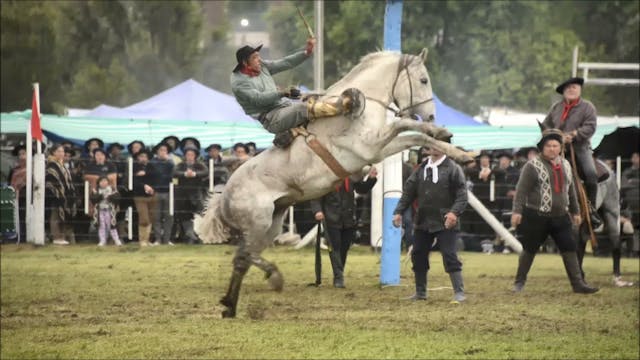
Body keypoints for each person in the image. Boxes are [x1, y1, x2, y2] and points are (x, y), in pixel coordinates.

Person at [511, 129, 598, 294]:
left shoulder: (566, 165)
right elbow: (521, 191)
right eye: (548, 146)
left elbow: (571, 190)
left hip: (561, 217)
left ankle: (578, 284)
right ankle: (519, 283)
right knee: (529, 249)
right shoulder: (532, 166)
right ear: (542, 148)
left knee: (569, 249)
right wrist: (517, 212)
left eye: (555, 145)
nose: (552, 148)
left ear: (560, 148)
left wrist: (576, 211)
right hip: (536, 216)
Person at [230, 39, 360, 147]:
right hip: (271, 118)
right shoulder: (239, 82)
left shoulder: (262, 66)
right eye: (254, 58)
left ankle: (292, 132)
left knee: (313, 98)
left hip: (285, 107)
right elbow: (258, 99)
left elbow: (285, 63)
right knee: (302, 108)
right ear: (245, 63)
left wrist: (306, 52)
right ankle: (342, 107)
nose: (259, 59)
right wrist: (282, 93)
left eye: (258, 56)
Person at [393, 145, 468, 302]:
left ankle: (459, 292)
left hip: (446, 220)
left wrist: (454, 213)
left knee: (449, 254)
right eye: (432, 145)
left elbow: (462, 195)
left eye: (438, 145)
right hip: (424, 220)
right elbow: (409, 192)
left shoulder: (453, 169)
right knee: (418, 254)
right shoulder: (421, 168)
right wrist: (398, 211)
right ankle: (421, 292)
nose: (434, 148)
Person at [542, 77, 601, 227]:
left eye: (574, 87)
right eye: (568, 88)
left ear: (579, 90)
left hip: (580, 148)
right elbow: (546, 124)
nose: (571, 90)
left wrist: (574, 134)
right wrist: (550, 135)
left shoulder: (588, 107)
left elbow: (591, 126)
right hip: (558, 150)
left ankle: (591, 209)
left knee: (591, 174)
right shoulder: (556, 107)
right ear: (563, 92)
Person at [310, 166, 378, 288]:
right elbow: (315, 197)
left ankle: (339, 272)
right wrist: (317, 211)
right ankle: (338, 277)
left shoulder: (350, 176)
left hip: (348, 219)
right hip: (331, 219)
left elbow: (362, 189)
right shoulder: (325, 178)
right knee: (334, 247)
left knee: (344, 248)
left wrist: (371, 179)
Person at [173, 147, 208, 244]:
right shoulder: (181, 165)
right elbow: (174, 173)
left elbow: (206, 172)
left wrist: (195, 174)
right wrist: (184, 174)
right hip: (183, 195)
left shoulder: (199, 165)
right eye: (188, 155)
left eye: (192, 155)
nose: (190, 157)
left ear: (195, 156)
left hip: (196, 194)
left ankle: (199, 237)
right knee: (184, 216)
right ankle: (190, 236)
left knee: (199, 215)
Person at [45, 144, 77, 245]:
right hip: (56, 195)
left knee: (63, 216)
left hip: (66, 195)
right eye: (59, 151)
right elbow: (51, 181)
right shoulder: (51, 165)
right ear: (53, 152)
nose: (61, 153)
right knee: (55, 216)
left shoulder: (62, 165)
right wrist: (58, 192)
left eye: (62, 151)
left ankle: (63, 236)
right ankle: (57, 237)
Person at [131, 149, 156, 247]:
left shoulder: (152, 167)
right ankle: (142, 240)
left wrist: (146, 175)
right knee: (144, 218)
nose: (143, 158)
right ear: (138, 157)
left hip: (152, 195)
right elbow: (133, 181)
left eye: (145, 156)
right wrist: (144, 186)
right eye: (141, 156)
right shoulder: (134, 167)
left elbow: (156, 177)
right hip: (139, 196)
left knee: (151, 218)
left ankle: (147, 239)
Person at [150, 143, 175, 245]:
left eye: (165, 150)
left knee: (168, 216)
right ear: (157, 152)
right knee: (156, 217)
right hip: (156, 192)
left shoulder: (170, 163)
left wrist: (169, 160)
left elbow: (174, 173)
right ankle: (157, 239)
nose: (163, 152)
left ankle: (167, 239)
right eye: (161, 150)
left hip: (168, 192)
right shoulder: (152, 163)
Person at [90, 176, 122, 246]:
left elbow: (117, 198)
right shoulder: (96, 190)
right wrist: (101, 196)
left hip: (110, 211)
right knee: (101, 226)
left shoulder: (112, 189)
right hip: (100, 211)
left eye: (105, 181)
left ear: (108, 182)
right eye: (102, 181)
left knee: (111, 225)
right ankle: (102, 240)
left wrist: (110, 197)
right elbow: (93, 199)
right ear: (99, 183)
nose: (103, 183)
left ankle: (116, 240)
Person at [8, 144, 27, 242]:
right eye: (20, 154)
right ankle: (19, 236)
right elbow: (10, 183)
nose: (21, 156)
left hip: (29, 197)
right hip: (17, 196)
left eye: (24, 153)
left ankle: (25, 236)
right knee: (18, 217)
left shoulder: (33, 168)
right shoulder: (14, 170)